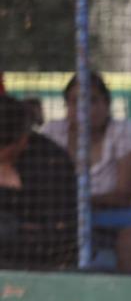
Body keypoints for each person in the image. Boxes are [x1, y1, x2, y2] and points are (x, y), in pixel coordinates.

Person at [41, 71, 131, 271]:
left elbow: (124, 196)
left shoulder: (125, 131)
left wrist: (72, 200)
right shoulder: (53, 132)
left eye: (93, 101)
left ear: (107, 105)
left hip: (125, 220)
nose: (83, 109)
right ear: (66, 106)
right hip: (70, 222)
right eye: (75, 101)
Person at [0, 95, 77, 270]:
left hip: (38, 261)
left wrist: (14, 229)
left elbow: (60, 232)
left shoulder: (51, 162)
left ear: (22, 140)